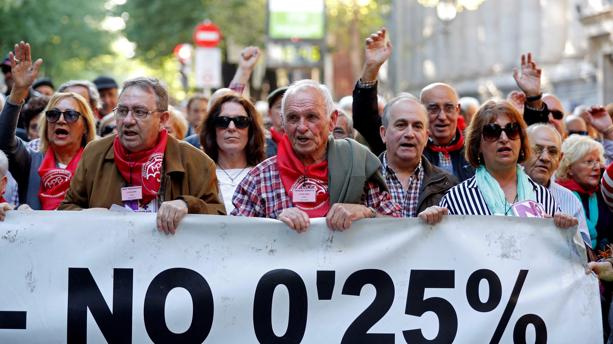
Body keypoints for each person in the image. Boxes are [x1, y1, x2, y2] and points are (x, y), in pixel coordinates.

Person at [59, 77, 225, 234]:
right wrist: (87, 214)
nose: (128, 120)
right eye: (122, 111)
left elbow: (221, 221)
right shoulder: (94, 154)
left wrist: (188, 204)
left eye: (139, 112)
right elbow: (66, 209)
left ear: (163, 119)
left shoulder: (196, 162)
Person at [232, 79, 401, 232]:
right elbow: (232, 237)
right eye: (293, 118)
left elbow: (399, 228)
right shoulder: (260, 178)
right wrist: (273, 225)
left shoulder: (357, 164)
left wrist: (365, 212)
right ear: (282, 122)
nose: (302, 127)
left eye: (312, 117)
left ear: (332, 120)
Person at [352, 28, 474, 181]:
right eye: (433, 108)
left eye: (448, 108)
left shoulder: (476, 148)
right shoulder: (404, 143)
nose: (442, 116)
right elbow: (365, 119)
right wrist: (372, 68)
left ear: (458, 111)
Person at [434, 100, 576, 228]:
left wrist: (563, 230)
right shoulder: (457, 199)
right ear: (477, 145)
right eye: (492, 131)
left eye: (512, 130)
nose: (504, 138)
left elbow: (557, 252)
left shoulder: (543, 196)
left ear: (521, 141)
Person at [0, 42, 96, 210]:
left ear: (86, 126)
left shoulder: (97, 163)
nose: (60, 120)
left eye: (71, 115)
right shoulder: (31, 161)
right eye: (53, 114)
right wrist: (18, 92)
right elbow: (4, 140)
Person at [378, 95, 457, 220]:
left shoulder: (448, 184)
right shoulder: (361, 180)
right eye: (401, 125)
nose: (409, 134)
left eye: (417, 126)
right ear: (383, 134)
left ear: (426, 137)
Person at [523, 124, 591, 245]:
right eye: (537, 149)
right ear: (522, 152)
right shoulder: (503, 192)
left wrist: (570, 233)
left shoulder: (570, 200)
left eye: (552, 152)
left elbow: (586, 255)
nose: (545, 157)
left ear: (560, 159)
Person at [200, 93, 266, 213]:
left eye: (241, 121)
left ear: (251, 129)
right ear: (212, 128)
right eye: (223, 121)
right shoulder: (197, 176)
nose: (231, 127)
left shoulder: (266, 175)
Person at [556, 135, 612, 252]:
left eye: (598, 161)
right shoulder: (557, 195)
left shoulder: (603, 192)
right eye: (589, 162)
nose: (597, 167)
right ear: (569, 168)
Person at [265, 86, 287, 157]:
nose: (284, 111)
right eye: (280, 107)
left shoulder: (304, 142)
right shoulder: (261, 144)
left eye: (288, 106)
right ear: (269, 113)